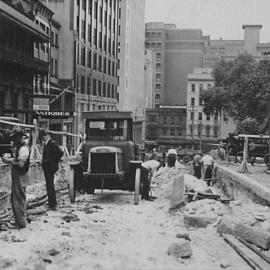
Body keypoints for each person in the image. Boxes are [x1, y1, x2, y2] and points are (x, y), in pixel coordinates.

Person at [7, 128, 31, 229]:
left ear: (20, 137)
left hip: (20, 176)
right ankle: (20, 220)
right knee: (18, 197)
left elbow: (20, 165)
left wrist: (10, 162)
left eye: (15, 138)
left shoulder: (23, 148)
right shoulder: (21, 147)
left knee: (18, 198)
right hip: (20, 176)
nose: (14, 141)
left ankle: (20, 223)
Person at [39, 129, 63, 210]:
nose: (43, 138)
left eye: (44, 136)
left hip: (50, 167)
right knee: (49, 185)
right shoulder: (47, 144)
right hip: (47, 167)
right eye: (42, 136)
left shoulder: (52, 143)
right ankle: (51, 203)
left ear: (48, 135)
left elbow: (60, 152)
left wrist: (53, 161)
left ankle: (52, 204)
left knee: (50, 185)